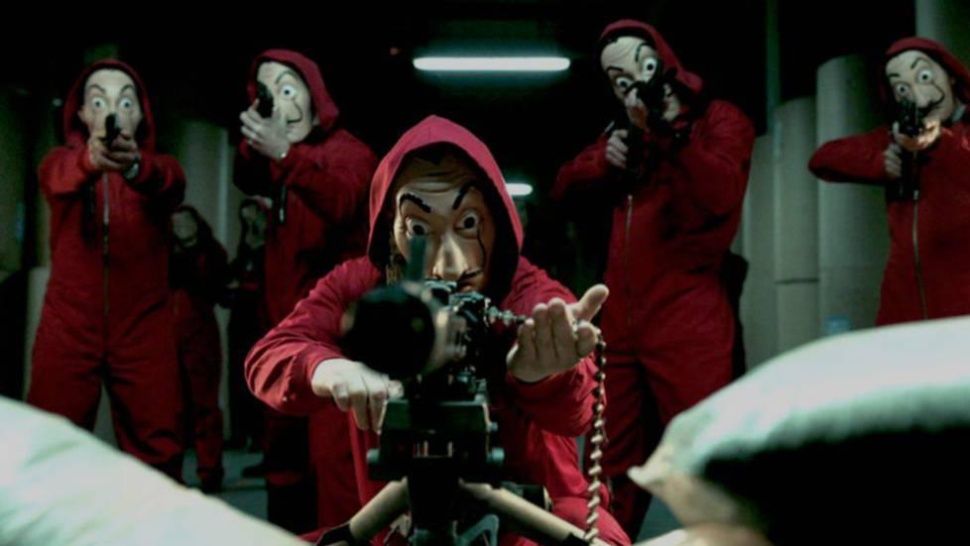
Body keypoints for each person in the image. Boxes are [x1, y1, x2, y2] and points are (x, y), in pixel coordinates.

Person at [245, 115, 630, 545]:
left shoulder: (525, 288)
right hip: (400, 519)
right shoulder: (363, 285)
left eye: (468, 225)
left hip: (533, 520)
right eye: (418, 229)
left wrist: (544, 372)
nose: (448, 265)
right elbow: (272, 355)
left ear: (496, 223)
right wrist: (330, 370)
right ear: (389, 230)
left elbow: (578, 405)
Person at [551, 19, 755, 536]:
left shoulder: (716, 121)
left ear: (662, 61)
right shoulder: (621, 135)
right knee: (609, 465)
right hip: (620, 324)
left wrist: (669, 136)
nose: (630, 85)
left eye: (638, 67)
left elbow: (720, 194)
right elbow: (563, 188)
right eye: (616, 79)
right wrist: (605, 162)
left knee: (706, 455)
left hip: (689, 314)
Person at [234, 49, 377, 532]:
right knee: (283, 468)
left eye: (288, 89)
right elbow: (243, 175)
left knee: (336, 470)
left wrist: (285, 155)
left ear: (315, 96)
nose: (280, 103)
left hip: (338, 343)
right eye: (267, 92)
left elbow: (342, 201)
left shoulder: (349, 151)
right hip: (283, 335)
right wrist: (262, 144)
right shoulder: (277, 163)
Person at [28, 59, 186, 480]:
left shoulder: (162, 168)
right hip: (69, 323)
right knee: (50, 442)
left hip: (144, 324)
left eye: (125, 101)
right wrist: (90, 162)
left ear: (141, 115)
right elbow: (57, 178)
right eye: (98, 101)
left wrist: (133, 167)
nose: (113, 110)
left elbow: (169, 183)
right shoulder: (59, 162)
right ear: (82, 113)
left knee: (160, 445)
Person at [809, 37, 970, 325]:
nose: (920, 98)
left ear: (951, 76)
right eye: (902, 89)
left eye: (924, 77)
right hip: (903, 305)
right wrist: (881, 163)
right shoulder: (897, 138)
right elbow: (822, 159)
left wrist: (942, 143)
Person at [170, 205, 229, 492]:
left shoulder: (212, 253)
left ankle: (210, 469)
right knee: (172, 406)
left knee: (205, 404)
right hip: (169, 333)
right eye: (176, 223)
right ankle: (172, 472)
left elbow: (218, 290)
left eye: (186, 222)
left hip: (200, 334)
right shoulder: (164, 252)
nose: (181, 227)